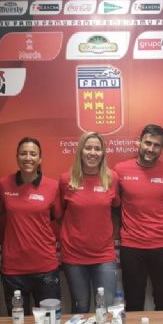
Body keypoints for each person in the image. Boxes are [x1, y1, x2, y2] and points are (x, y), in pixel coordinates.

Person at [115, 125, 163, 311]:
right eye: (148, 143)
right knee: (134, 303)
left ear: (162, 148)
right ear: (139, 143)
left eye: (156, 145)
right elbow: (113, 202)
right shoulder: (120, 170)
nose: (151, 149)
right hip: (132, 246)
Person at [0, 137, 62, 315]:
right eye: (23, 153)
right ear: (17, 157)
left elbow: (57, 217)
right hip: (13, 269)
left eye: (33, 154)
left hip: (45, 267)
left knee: (50, 322)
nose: (28, 158)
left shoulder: (53, 186)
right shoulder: (4, 184)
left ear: (40, 159)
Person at [59, 132, 120, 313]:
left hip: (104, 255)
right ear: (80, 151)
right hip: (74, 255)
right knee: (81, 308)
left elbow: (115, 207)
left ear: (103, 153)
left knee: (106, 309)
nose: (93, 153)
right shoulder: (66, 180)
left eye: (97, 149)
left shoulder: (112, 178)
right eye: (88, 148)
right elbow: (59, 213)